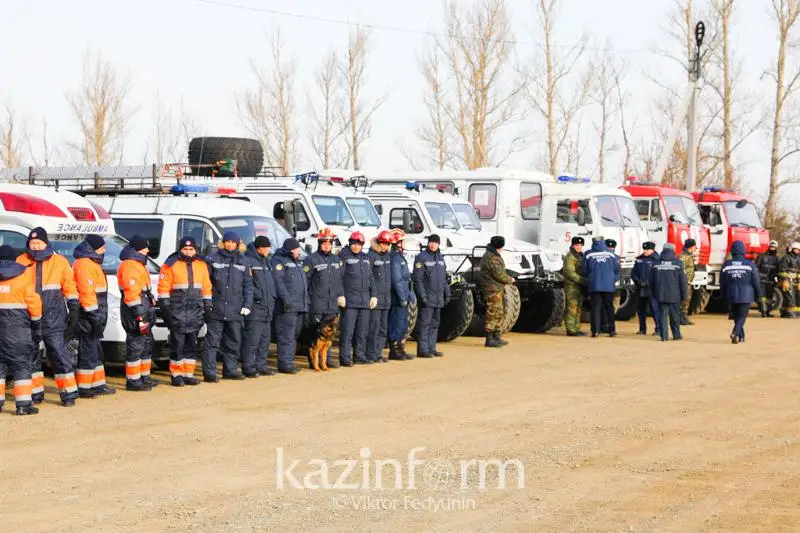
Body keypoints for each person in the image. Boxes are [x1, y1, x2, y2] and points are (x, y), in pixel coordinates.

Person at [16, 227, 80, 407]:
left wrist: (74, 307)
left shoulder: (60, 261)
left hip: (54, 316)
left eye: (38, 242)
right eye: (32, 243)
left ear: (46, 243)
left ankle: (68, 394)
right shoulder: (21, 260)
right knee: (30, 355)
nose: (35, 246)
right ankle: (35, 394)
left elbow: (70, 286)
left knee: (59, 353)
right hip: (28, 317)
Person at [158, 236, 211, 387]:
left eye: (191, 249)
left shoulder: (201, 265)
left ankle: (188, 374)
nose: (188, 252)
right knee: (177, 346)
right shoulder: (170, 264)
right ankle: (176, 375)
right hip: (177, 312)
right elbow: (163, 289)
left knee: (191, 346)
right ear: (180, 249)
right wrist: (166, 308)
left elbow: (206, 287)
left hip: (195, 312)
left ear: (195, 249)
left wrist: (208, 306)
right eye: (185, 249)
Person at [202, 231, 253, 382]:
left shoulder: (244, 262)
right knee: (212, 343)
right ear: (222, 243)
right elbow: (206, 284)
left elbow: (248, 286)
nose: (229, 244)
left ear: (238, 243)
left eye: (233, 242)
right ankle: (210, 373)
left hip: (235, 310)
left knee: (233, 342)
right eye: (227, 242)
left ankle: (230, 370)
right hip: (216, 309)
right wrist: (207, 303)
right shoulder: (212, 259)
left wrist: (247, 305)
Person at [0, 245, 42, 416]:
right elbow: (34, 303)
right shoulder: (22, 276)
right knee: (21, 365)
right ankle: (23, 405)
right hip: (18, 330)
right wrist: (37, 326)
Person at [73, 234, 115, 397]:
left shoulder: (92, 262)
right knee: (88, 350)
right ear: (93, 248)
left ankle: (97, 384)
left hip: (94, 313)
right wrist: (95, 317)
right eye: (102, 247)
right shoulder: (85, 264)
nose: (104, 250)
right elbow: (87, 294)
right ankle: (84, 387)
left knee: (94, 350)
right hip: (89, 315)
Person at [117, 236, 158, 391]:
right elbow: (132, 294)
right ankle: (133, 381)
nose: (148, 250)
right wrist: (140, 315)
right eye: (145, 247)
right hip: (135, 311)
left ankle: (143, 376)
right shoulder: (129, 265)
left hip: (143, 307)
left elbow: (143, 290)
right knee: (136, 345)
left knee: (146, 343)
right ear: (138, 248)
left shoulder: (139, 263)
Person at [303, 227, 344, 368]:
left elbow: (339, 280)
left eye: (329, 243)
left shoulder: (336, 260)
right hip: (317, 304)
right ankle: (313, 362)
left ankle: (327, 360)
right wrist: (308, 301)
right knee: (315, 336)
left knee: (329, 335)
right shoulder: (311, 260)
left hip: (331, 303)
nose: (327, 246)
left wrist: (341, 295)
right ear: (319, 243)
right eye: (324, 243)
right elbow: (305, 283)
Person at [270, 238, 309, 374]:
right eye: (296, 250)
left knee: (294, 336)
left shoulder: (297, 261)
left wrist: (306, 302)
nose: (299, 252)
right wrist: (286, 300)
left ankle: (289, 361)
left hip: (299, 305)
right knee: (286, 336)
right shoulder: (278, 261)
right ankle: (285, 364)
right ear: (290, 250)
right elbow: (278, 283)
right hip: (287, 306)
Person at [241, 236, 277, 377]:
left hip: (267, 308)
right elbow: (247, 283)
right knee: (252, 341)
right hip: (256, 308)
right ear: (259, 248)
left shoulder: (266, 261)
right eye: (266, 247)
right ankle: (249, 368)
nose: (269, 250)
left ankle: (261, 366)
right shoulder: (248, 261)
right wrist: (259, 294)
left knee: (264, 341)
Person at [338, 232, 376, 366]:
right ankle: (345, 357)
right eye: (353, 244)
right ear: (350, 243)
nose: (356, 247)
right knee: (348, 331)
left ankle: (359, 356)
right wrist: (341, 294)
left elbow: (371, 278)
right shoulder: (343, 257)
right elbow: (339, 278)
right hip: (350, 301)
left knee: (362, 331)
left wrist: (374, 295)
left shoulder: (366, 258)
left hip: (364, 301)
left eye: (358, 245)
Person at [412, 234, 450, 357]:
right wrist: (422, 296)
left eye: (435, 242)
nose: (433, 245)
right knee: (425, 324)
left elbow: (444, 279)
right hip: (427, 298)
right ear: (428, 243)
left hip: (438, 298)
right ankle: (423, 350)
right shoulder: (421, 257)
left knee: (434, 324)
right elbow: (417, 279)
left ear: (439, 244)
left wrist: (447, 292)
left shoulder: (440, 258)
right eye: (431, 242)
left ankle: (431, 348)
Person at [720, 240, 761, 344]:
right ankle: (734, 333)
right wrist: (758, 294)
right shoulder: (749, 264)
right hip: (746, 294)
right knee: (742, 316)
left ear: (732, 251)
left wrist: (723, 294)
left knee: (736, 316)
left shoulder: (726, 265)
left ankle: (741, 337)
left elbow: (722, 282)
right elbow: (756, 281)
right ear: (743, 251)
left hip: (731, 294)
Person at [479, 236, 515, 348]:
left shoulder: (492, 255)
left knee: (498, 313)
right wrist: (510, 279)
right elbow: (498, 274)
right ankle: (490, 338)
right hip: (492, 289)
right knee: (492, 312)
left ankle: (496, 336)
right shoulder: (492, 257)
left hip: (496, 289)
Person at [583, 236, 620, 337]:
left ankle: (595, 331)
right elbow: (617, 269)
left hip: (594, 285)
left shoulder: (588, 255)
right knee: (609, 308)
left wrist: (591, 278)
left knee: (595, 308)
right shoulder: (611, 254)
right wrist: (612, 280)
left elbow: (585, 271)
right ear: (603, 242)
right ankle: (612, 330)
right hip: (608, 286)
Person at [649, 243, 687, 342]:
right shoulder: (677, 264)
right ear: (673, 251)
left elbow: (651, 281)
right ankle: (676, 335)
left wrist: (654, 293)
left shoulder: (656, 264)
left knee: (662, 315)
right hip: (674, 295)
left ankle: (664, 336)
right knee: (674, 315)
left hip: (660, 294)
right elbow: (683, 281)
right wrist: (684, 296)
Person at [366, 230, 393, 363]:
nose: (386, 246)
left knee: (383, 328)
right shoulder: (371, 256)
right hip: (376, 299)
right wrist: (373, 295)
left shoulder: (387, 256)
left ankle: (378, 353)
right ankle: (371, 354)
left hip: (386, 299)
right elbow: (369, 278)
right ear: (378, 242)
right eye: (383, 243)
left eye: (388, 244)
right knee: (373, 328)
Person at [388, 229, 415, 360]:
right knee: (396, 324)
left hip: (403, 295)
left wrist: (408, 295)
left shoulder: (399, 257)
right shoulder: (394, 258)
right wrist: (402, 297)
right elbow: (396, 279)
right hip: (397, 298)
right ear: (397, 243)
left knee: (403, 324)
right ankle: (394, 351)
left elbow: (405, 279)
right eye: (402, 241)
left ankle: (400, 348)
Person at [631, 241, 660, 336]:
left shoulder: (657, 259)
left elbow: (658, 274)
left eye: (647, 249)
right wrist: (638, 281)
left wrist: (648, 282)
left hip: (652, 289)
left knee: (655, 309)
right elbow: (633, 273)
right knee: (641, 310)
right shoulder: (639, 259)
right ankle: (642, 329)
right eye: (644, 249)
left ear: (653, 249)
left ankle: (658, 329)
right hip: (640, 288)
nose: (645, 251)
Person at [562, 236, 586, 337]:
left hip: (579, 286)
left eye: (580, 245)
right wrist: (581, 280)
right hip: (572, 286)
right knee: (572, 308)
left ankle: (576, 328)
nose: (578, 247)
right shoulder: (570, 256)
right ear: (573, 245)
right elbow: (569, 272)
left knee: (578, 308)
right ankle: (571, 329)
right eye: (577, 245)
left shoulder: (580, 255)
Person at [755, 240, 780, 317]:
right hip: (761, 280)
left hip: (771, 280)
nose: (772, 248)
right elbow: (755, 268)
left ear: (776, 248)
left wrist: (778, 280)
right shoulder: (761, 256)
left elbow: (779, 270)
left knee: (769, 297)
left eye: (774, 247)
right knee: (762, 297)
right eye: (771, 246)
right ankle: (764, 312)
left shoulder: (777, 259)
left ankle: (768, 312)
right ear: (768, 247)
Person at [778, 242, 800, 318]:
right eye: (796, 249)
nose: (797, 251)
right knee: (789, 298)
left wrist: (799, 282)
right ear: (791, 249)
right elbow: (782, 271)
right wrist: (784, 280)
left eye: (798, 250)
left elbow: (798, 272)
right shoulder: (786, 258)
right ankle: (789, 313)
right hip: (786, 281)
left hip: (794, 281)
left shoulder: (798, 258)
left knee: (795, 297)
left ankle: (787, 312)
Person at [679, 239, 697, 325]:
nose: (695, 248)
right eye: (694, 246)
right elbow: (682, 270)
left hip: (688, 282)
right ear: (691, 247)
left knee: (687, 299)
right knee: (684, 300)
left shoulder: (689, 255)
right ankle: (681, 318)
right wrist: (686, 280)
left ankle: (684, 317)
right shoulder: (683, 256)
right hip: (684, 282)